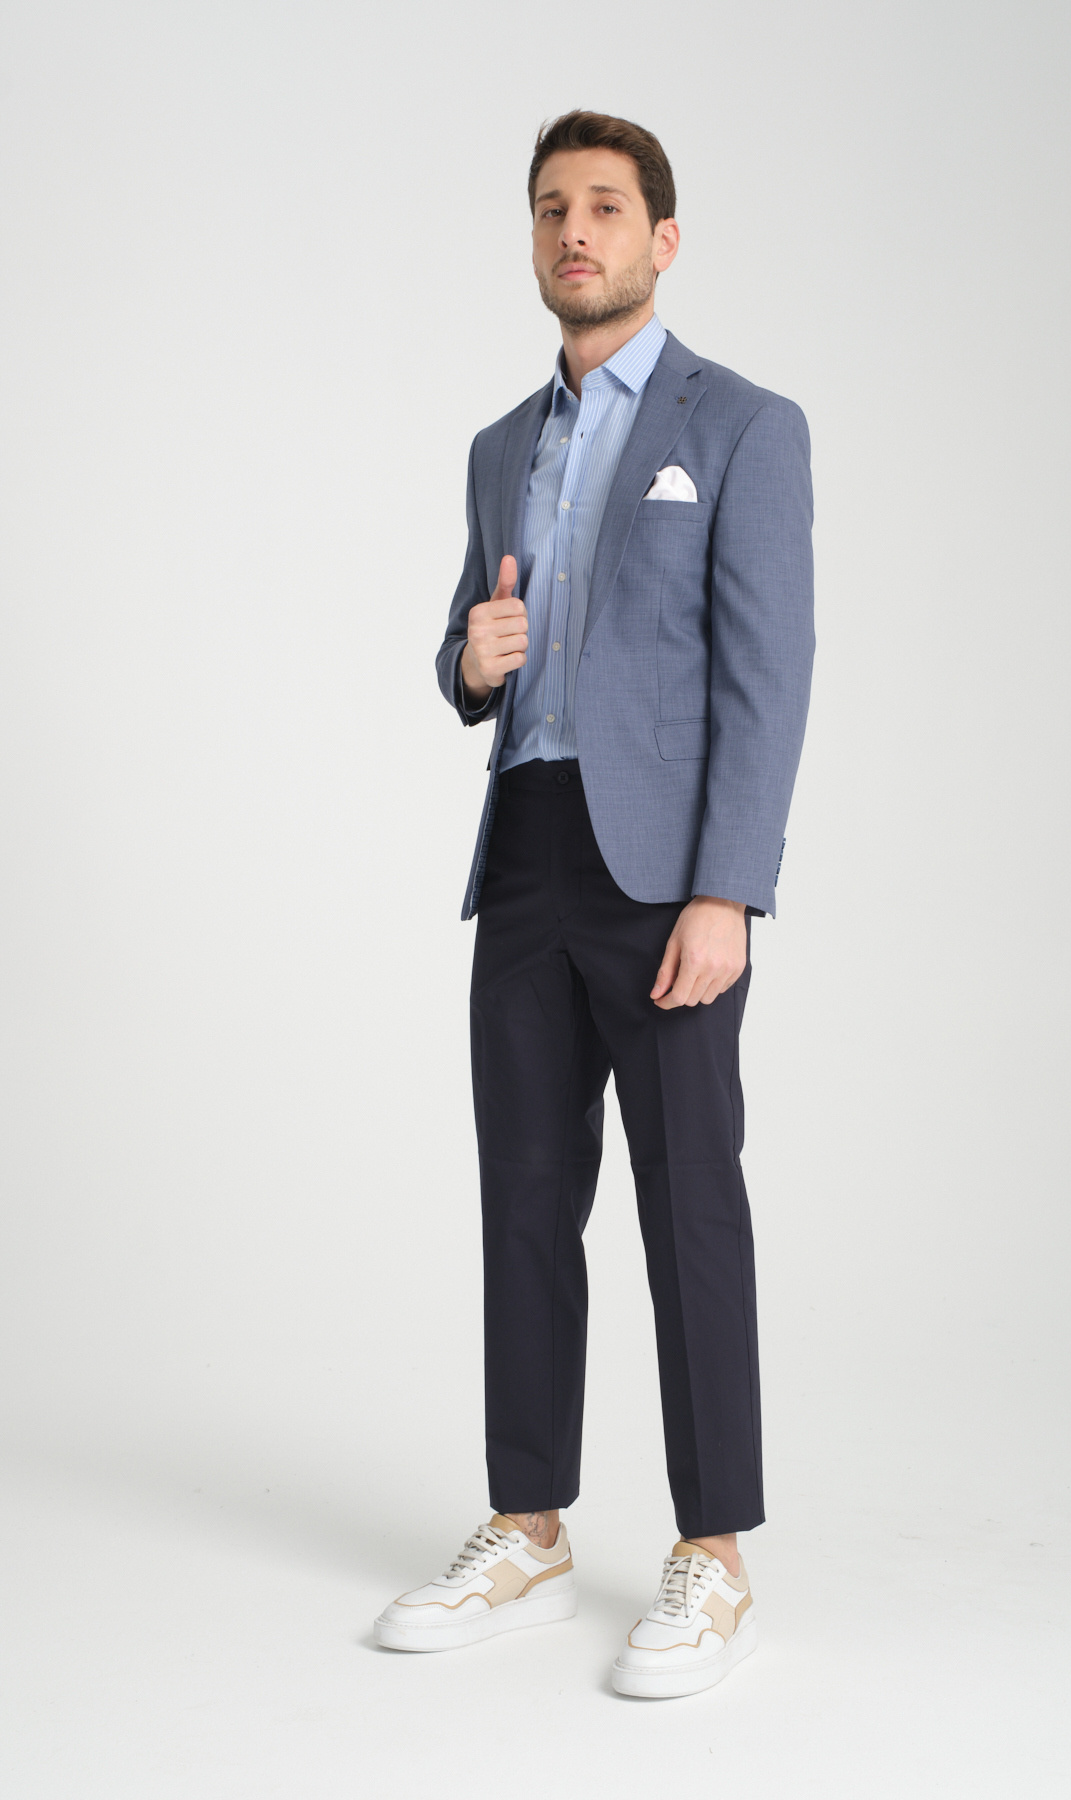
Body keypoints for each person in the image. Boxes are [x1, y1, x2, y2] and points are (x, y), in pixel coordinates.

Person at [374, 109, 814, 1698]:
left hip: (668, 874)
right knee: (524, 1195)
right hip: (528, 856)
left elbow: (768, 674)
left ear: (661, 239)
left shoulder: (742, 426)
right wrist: (466, 664)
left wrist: (728, 890)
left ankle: (717, 1554)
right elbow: (469, 649)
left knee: (689, 1201)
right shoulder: (504, 446)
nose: (576, 230)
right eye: (553, 207)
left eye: (607, 208)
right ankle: (529, 1525)